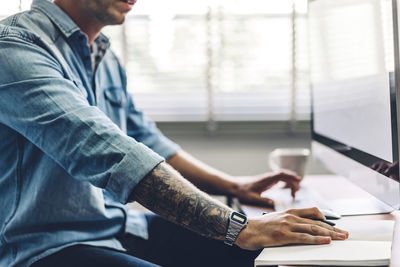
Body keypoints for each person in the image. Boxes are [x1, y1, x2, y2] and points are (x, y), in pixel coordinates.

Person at [0, 0, 348, 266]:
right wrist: (238, 227)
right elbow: (108, 152)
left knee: (277, 254)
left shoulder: (102, 55)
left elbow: (147, 140)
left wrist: (234, 188)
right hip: (43, 249)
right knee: (245, 236)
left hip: (116, 226)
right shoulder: (14, 47)